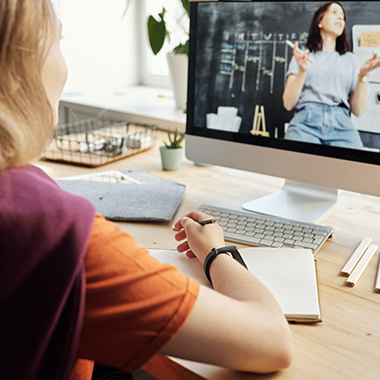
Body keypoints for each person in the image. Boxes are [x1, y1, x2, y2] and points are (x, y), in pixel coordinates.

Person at [0, 1, 293, 380]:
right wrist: (217, 251)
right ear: (19, 66)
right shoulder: (59, 235)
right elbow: (272, 343)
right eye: (58, 39)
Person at [282, 2, 380, 148]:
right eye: (334, 13)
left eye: (343, 16)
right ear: (319, 21)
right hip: (305, 122)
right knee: (295, 166)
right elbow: (288, 103)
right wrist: (303, 70)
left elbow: (358, 111)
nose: (340, 18)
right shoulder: (303, 56)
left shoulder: (351, 60)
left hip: (341, 124)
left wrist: (362, 76)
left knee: (355, 166)